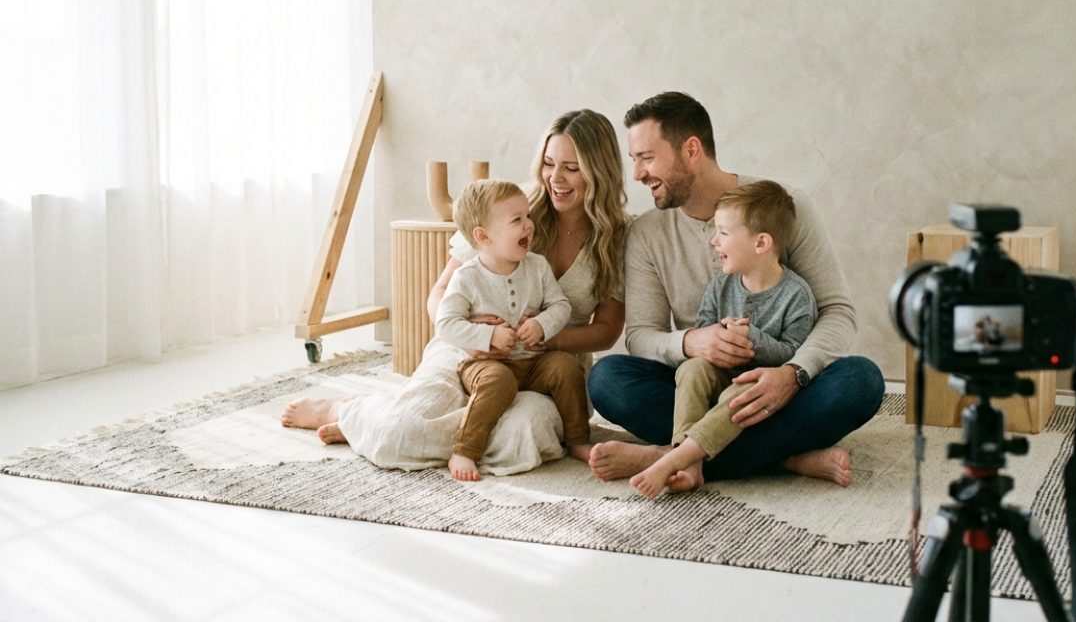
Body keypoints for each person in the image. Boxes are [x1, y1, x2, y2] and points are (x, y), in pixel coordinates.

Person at [281, 109, 628, 477]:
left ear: (598, 170)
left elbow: (607, 330)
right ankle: (356, 412)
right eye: (548, 163)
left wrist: (547, 337)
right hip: (465, 351)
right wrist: (475, 336)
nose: (555, 178)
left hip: (547, 368)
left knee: (522, 437)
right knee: (405, 430)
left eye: (571, 168)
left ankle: (382, 423)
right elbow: (440, 294)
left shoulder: (616, 237)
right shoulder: (506, 207)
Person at [587, 92, 885, 488]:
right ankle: (785, 459)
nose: (638, 174)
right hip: (699, 387)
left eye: (646, 158)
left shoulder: (782, 205)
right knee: (607, 378)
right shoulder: (646, 233)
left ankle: (673, 455)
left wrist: (792, 375)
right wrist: (692, 342)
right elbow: (641, 335)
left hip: (779, 387)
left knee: (861, 381)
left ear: (691, 150)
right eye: (634, 160)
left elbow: (837, 312)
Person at [629, 180, 817, 498]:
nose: (714, 241)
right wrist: (716, 337)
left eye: (724, 233)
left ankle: (675, 457)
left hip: (765, 393)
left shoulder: (796, 295)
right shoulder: (720, 286)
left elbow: (794, 354)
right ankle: (689, 460)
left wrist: (752, 339)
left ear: (761, 243)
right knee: (689, 370)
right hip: (718, 380)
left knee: (853, 379)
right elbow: (704, 331)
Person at [436, 178, 587, 481]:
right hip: (485, 364)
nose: (529, 225)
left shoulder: (537, 266)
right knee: (498, 380)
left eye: (527, 216)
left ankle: (579, 440)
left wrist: (541, 325)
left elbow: (560, 306)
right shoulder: (467, 277)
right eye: (517, 220)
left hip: (533, 362)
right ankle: (465, 450)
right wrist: (488, 336)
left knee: (566, 367)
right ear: (483, 236)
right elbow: (445, 324)